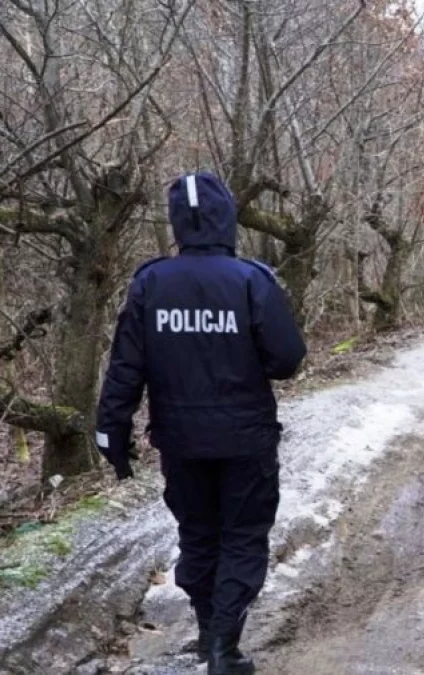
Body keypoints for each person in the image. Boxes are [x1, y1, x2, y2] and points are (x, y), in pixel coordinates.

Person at [95, 172, 305, 674]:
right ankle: (223, 646)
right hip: (245, 440)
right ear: (227, 218)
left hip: (181, 442)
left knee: (199, 534)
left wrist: (112, 434)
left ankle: (212, 631)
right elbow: (287, 359)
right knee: (243, 535)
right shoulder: (252, 279)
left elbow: (126, 367)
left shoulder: (150, 283)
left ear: (177, 223)